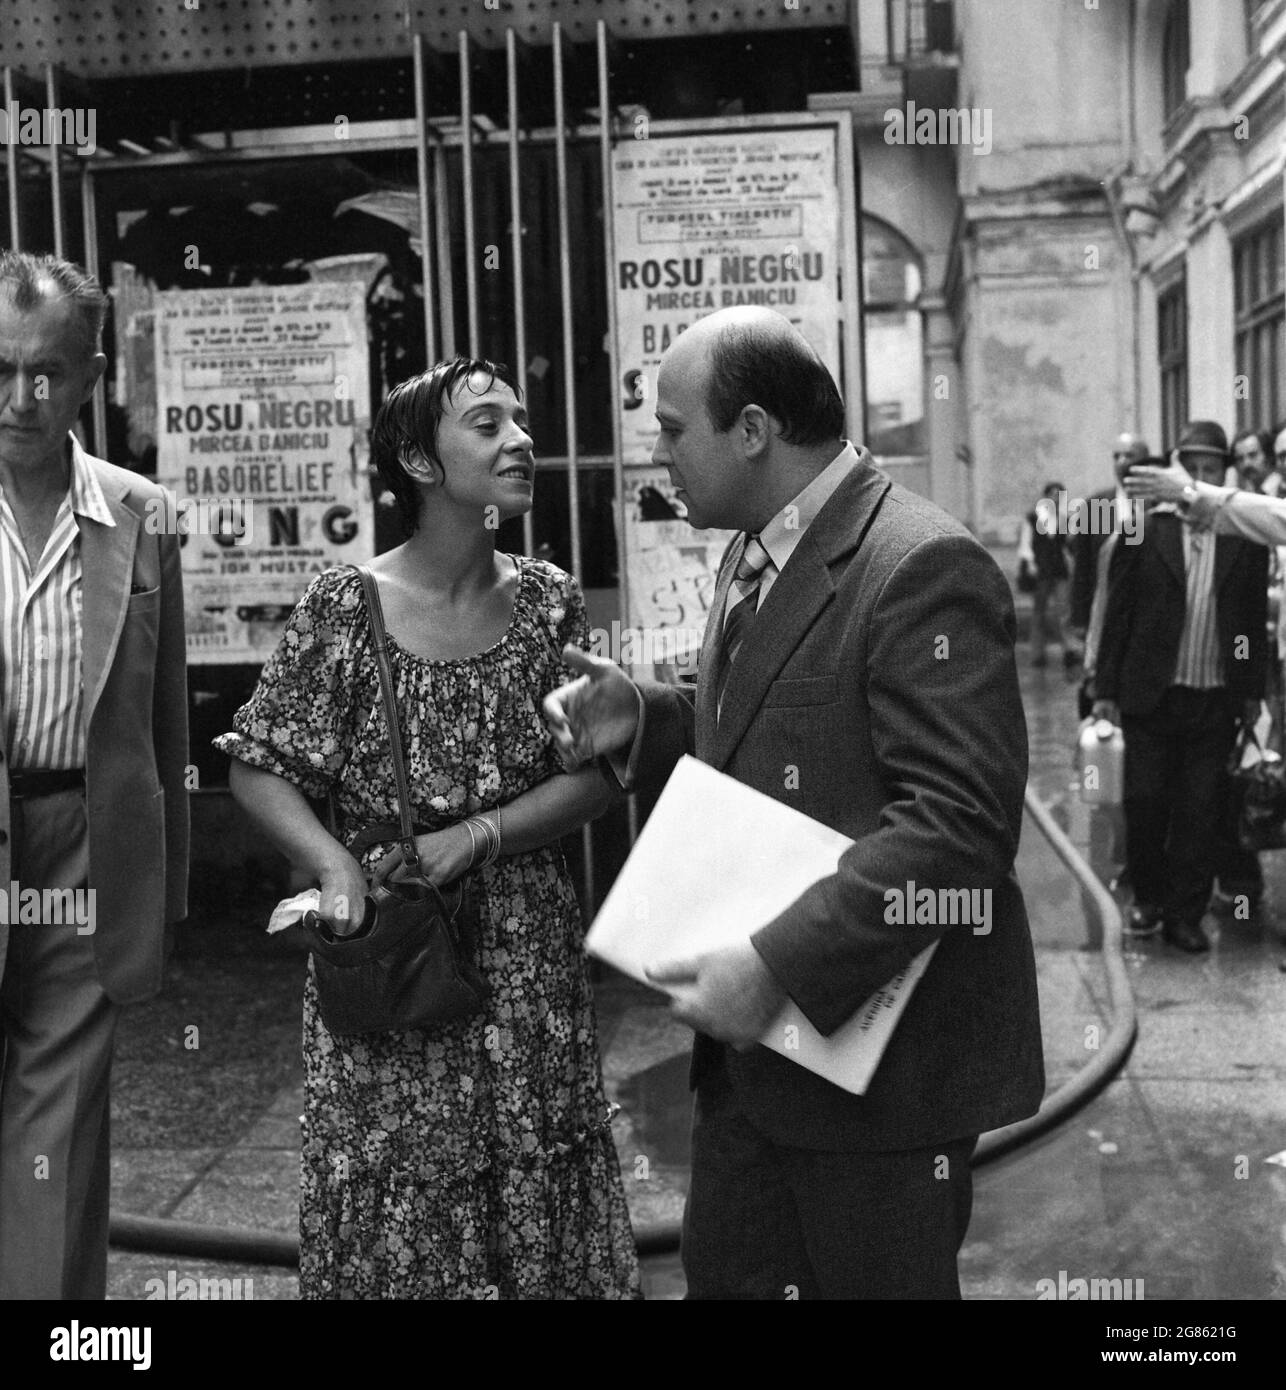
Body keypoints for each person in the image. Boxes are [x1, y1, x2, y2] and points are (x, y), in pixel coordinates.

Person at [544, 307, 1045, 1300]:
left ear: (753, 429)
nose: (657, 453)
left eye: (673, 427)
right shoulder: (753, 546)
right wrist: (643, 716)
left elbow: (958, 829)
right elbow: (777, 724)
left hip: (882, 1091)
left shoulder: (916, 566)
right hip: (757, 1077)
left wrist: (774, 962)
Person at [215, 356, 641, 1300]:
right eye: (487, 424)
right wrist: (335, 871)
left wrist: (479, 837)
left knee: (536, 1172)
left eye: (521, 422)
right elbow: (259, 767)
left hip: (525, 956)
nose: (520, 440)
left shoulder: (548, 602)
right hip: (396, 949)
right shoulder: (344, 606)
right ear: (417, 459)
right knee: (398, 1188)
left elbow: (598, 781)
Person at [0, 251, 189, 1298]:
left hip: (82, 837)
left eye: (46, 371)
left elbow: (164, 730)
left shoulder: (142, 514)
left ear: (88, 376)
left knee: (58, 1132)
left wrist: (166, 892)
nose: (19, 397)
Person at [1094, 421, 1267, 952]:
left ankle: (1185, 915)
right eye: (1188, 469)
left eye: (1209, 470)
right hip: (1151, 695)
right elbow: (1118, 614)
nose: (1197, 478)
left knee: (1199, 809)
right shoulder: (1144, 529)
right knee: (1145, 802)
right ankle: (1149, 898)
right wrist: (1104, 689)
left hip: (1214, 698)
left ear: (1223, 476)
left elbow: (1251, 619)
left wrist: (1251, 691)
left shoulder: (1244, 537)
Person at [1069, 433, 1149, 719]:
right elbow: (1083, 568)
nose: (1122, 462)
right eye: (1117, 456)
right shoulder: (1096, 506)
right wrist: (1079, 618)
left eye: (1130, 455)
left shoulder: (1155, 505)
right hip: (1101, 609)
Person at [1017, 480, 1074, 668]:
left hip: (1058, 569)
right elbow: (1026, 543)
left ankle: (1068, 650)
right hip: (1041, 570)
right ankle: (1037, 654)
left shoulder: (1064, 519)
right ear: (1046, 496)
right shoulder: (1033, 518)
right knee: (1038, 612)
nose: (1056, 500)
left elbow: (1067, 546)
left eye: (1059, 497)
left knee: (1064, 611)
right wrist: (1031, 564)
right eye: (1053, 495)